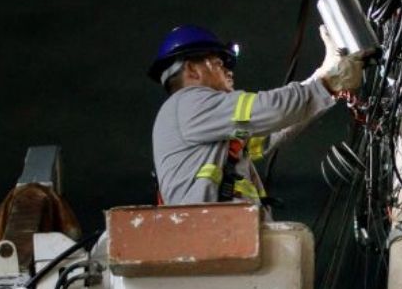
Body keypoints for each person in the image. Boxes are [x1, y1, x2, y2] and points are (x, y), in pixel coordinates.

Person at [148, 24, 368, 207]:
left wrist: (325, 77)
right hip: (210, 240)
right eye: (219, 63)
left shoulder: (208, 122)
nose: (229, 71)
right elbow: (269, 110)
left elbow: (276, 127)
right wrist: (328, 84)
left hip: (221, 237)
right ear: (192, 71)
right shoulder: (187, 103)